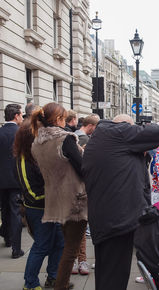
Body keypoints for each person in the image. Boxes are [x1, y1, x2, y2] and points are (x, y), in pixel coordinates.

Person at [82, 114, 159, 290]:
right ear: (126, 127)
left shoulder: (102, 137)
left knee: (107, 272)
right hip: (117, 221)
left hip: (106, 218)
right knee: (115, 276)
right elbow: (157, 133)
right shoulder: (117, 132)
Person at [31, 103, 87, 290]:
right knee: (71, 248)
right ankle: (60, 285)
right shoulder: (66, 139)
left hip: (55, 199)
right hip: (75, 199)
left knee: (66, 245)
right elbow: (83, 168)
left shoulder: (37, 142)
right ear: (58, 119)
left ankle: (60, 282)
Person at [13, 120, 64, 290]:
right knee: (41, 246)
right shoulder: (23, 159)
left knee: (58, 243)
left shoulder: (38, 154)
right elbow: (31, 192)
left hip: (51, 206)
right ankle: (30, 283)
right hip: (39, 209)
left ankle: (53, 277)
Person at [70, 114, 100, 276]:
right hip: (73, 189)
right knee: (75, 228)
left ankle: (80, 260)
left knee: (80, 227)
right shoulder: (77, 140)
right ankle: (77, 260)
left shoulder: (82, 141)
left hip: (82, 189)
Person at [0, 104, 24, 258]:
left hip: (1, 180)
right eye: (21, 115)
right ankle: (16, 249)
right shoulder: (21, 134)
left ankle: (8, 238)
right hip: (16, 179)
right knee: (15, 212)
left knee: (5, 209)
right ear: (16, 116)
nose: (22, 118)